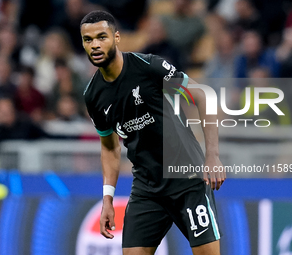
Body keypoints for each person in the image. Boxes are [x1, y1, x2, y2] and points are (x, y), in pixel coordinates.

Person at [81, 11, 225, 255]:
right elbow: (109, 147)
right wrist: (107, 199)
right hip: (147, 188)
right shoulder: (93, 95)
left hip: (187, 180)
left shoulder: (148, 66)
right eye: (88, 39)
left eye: (101, 37)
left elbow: (202, 95)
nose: (95, 44)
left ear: (116, 38)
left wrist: (212, 155)